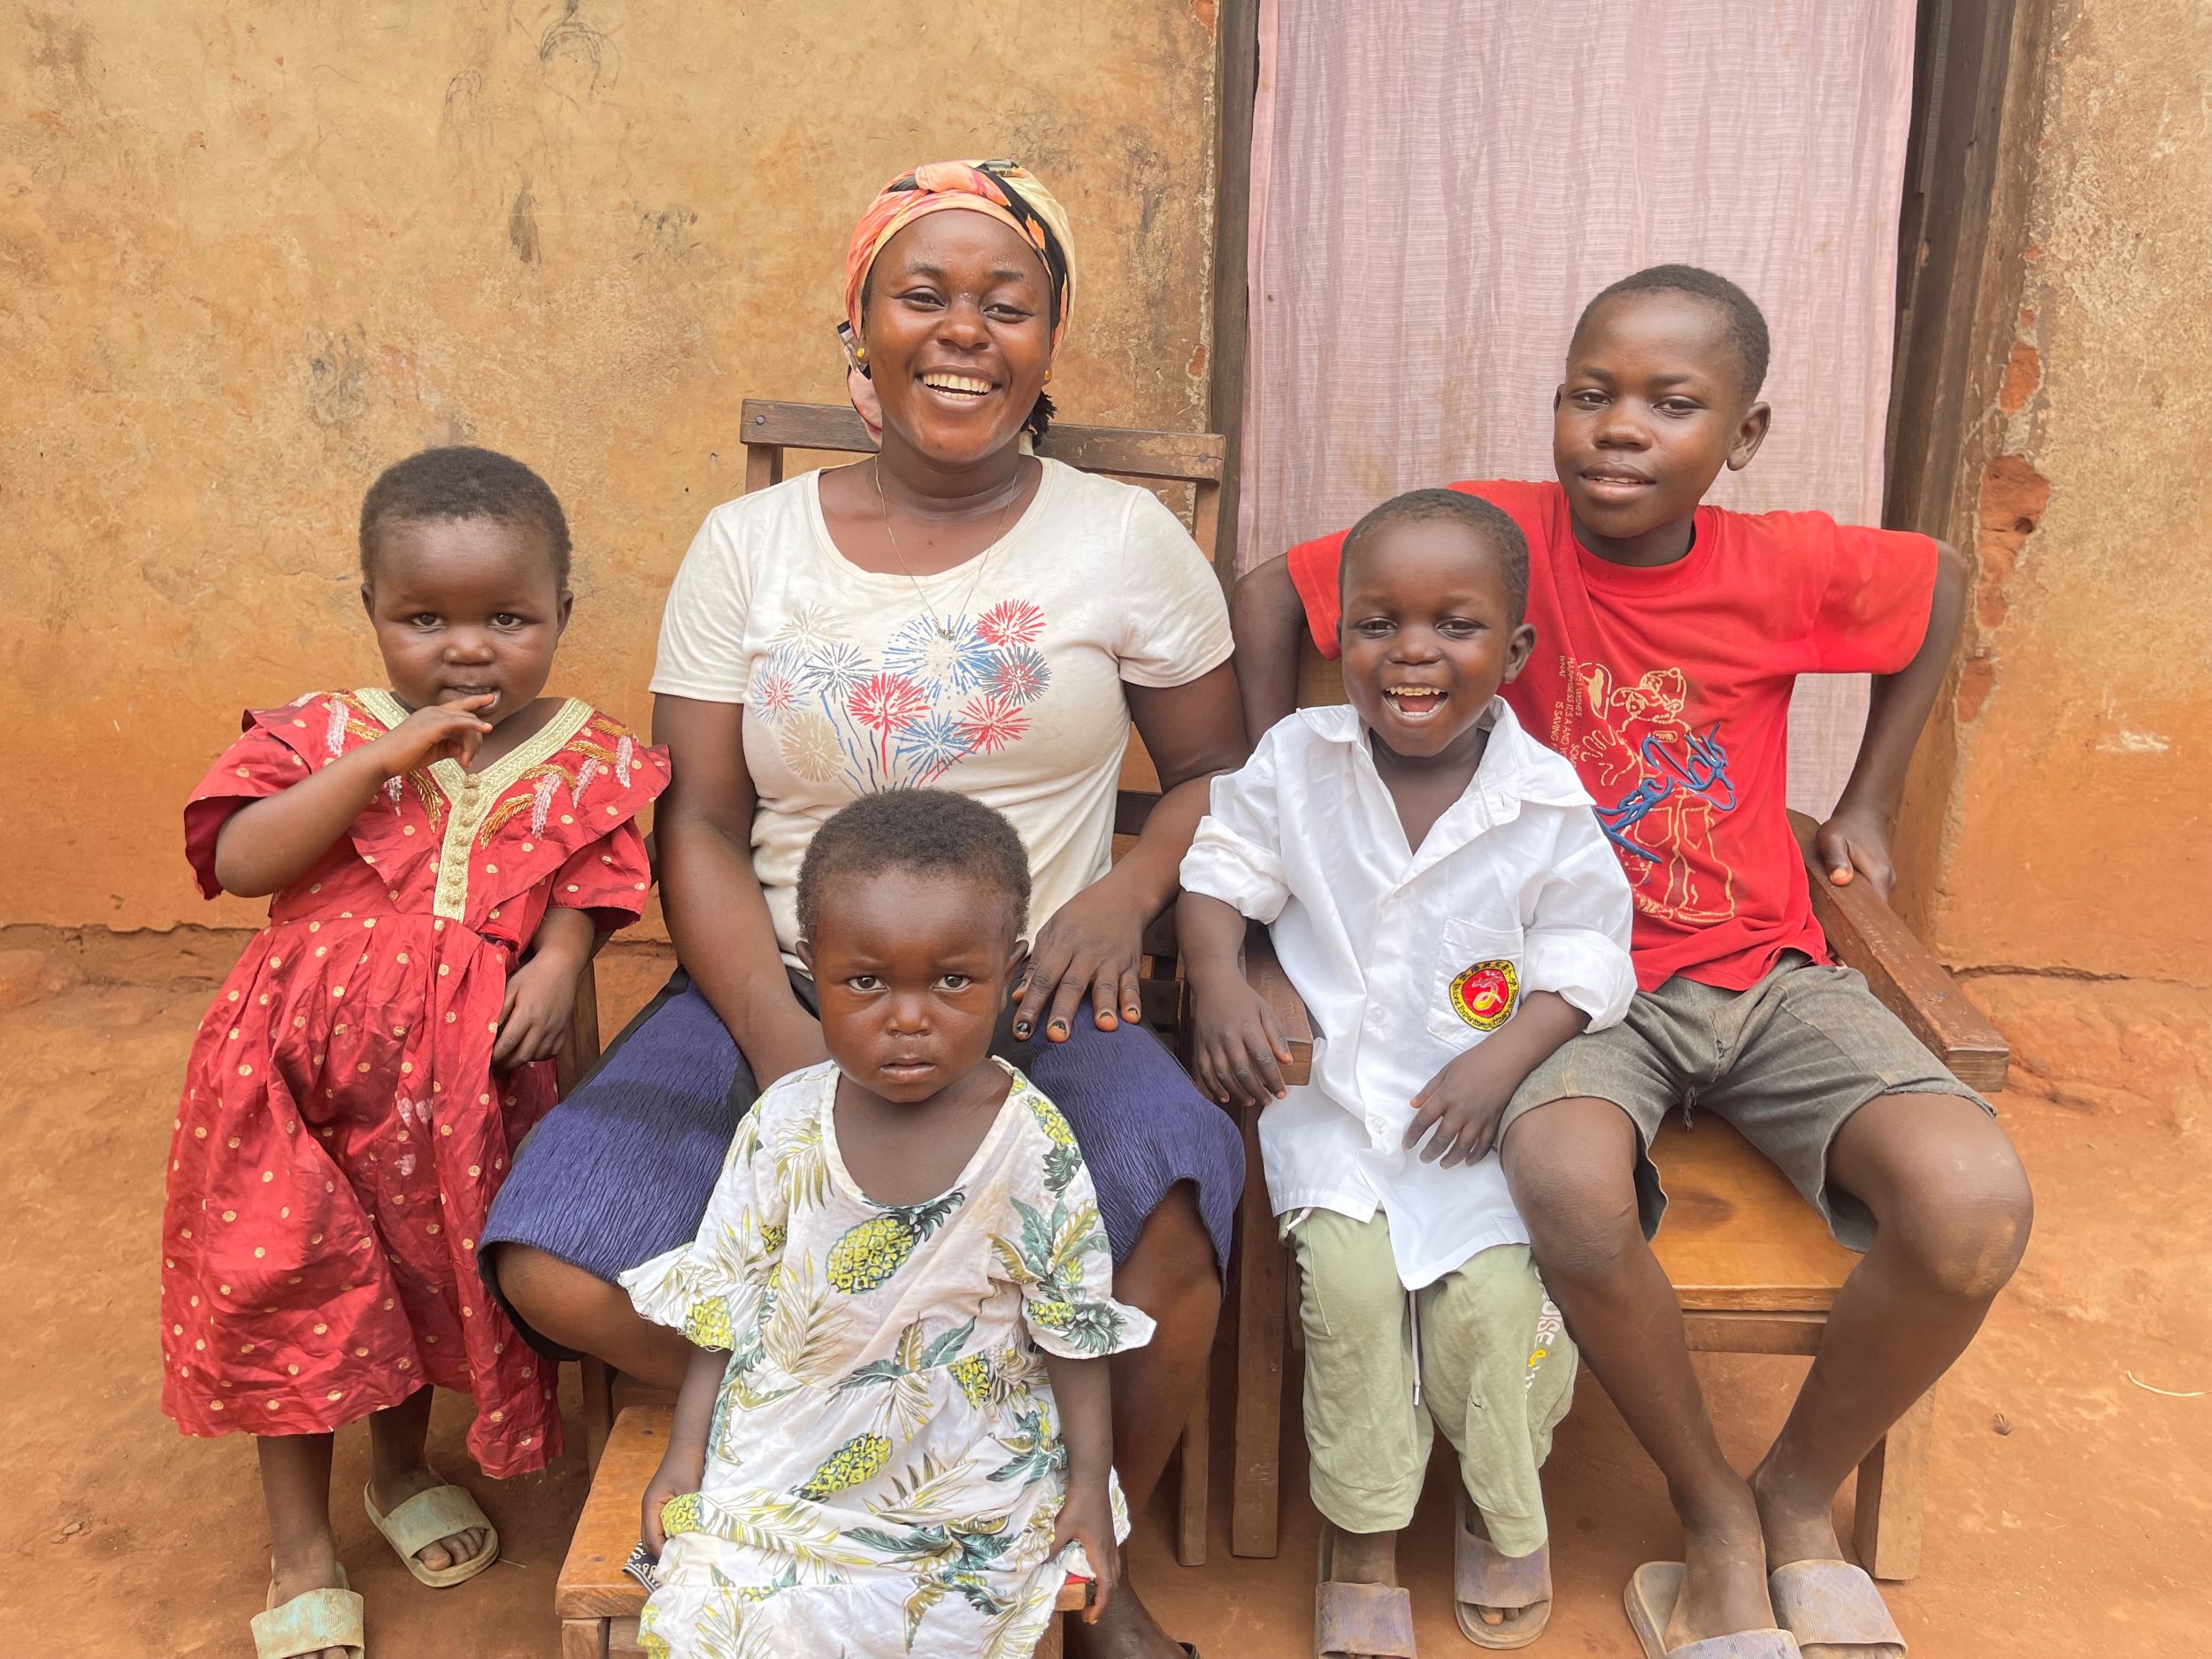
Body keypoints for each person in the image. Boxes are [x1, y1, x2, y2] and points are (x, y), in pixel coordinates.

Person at [481, 159, 1247, 1659]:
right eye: (923, 295)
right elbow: (701, 820)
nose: (964, 331)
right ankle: (888, 1424)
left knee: (1167, 1237)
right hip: (780, 978)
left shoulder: (1126, 540)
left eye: (1005, 304)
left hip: (1029, 992)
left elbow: (1222, 771)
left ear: (1047, 345)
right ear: (862, 329)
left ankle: (1081, 1564)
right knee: (555, 1253)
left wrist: (1130, 888)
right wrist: (784, 1041)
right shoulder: (747, 546)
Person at [1232, 267, 2033, 1659]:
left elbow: (1943, 584)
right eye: (1589, 394)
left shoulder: (1781, 564)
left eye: (1672, 404)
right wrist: (1276, 792)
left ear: (1745, 432)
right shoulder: (1501, 541)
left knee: (1975, 1203)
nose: (1618, 427)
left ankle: (1795, 1492)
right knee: (1563, 1180)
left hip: (1767, 970)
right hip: (1569, 986)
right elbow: (1271, 591)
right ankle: (1710, 1506)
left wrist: (1871, 802)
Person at [161, 447, 668, 1659]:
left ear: (560, 612)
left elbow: (596, 882)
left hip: (458, 1091)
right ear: (372, 610)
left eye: (508, 618)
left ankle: (398, 1471)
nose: (467, 649)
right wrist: (376, 763)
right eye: (424, 618)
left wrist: (558, 961)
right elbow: (239, 859)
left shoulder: (586, 755)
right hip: (289, 1078)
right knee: (289, 1277)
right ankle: (299, 1541)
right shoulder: (321, 732)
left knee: (424, 1276)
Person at [1182, 491, 1633, 1656]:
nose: (1413, 650)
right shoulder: (1298, 758)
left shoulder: (1546, 800)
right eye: (1378, 623)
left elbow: (1588, 954)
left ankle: (1499, 1499)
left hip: (1476, 1118)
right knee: (1348, 1291)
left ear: (1514, 652)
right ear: (1339, 637)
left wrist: (1505, 1057)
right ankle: (1365, 1526)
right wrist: (1219, 976)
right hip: (1337, 1112)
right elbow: (1220, 866)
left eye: (1455, 625)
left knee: (1494, 1305)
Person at [626, 788, 1148, 1657]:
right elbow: (727, 1299)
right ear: (813, 967)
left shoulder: (1030, 1143)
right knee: (726, 1597)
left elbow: (1071, 1327)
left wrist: (1090, 1481)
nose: (908, 1018)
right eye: (865, 982)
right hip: (791, 1444)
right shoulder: (784, 1123)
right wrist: (686, 1454)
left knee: (949, 1612)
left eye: (953, 981)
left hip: (962, 1462)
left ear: (1010, 972)